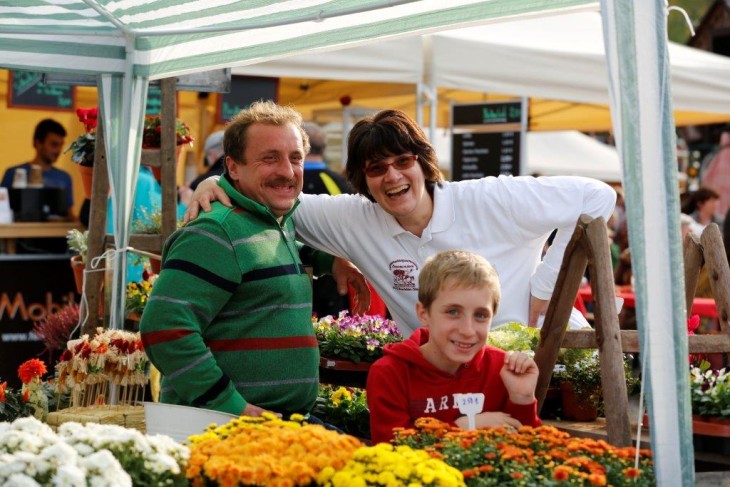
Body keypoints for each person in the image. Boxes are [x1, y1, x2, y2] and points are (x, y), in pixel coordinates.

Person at [187, 109, 617, 336]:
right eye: (376, 169)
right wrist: (214, 181)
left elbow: (598, 196)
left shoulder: (491, 198)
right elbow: (275, 193)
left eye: (403, 162)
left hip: (548, 366)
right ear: (363, 180)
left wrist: (547, 287)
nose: (392, 177)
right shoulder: (355, 218)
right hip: (445, 384)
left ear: (423, 163)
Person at [139, 101, 369, 417]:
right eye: (269, 158)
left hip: (272, 424)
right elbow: (164, 329)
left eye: (295, 158)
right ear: (233, 167)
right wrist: (231, 407)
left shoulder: (272, 219)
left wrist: (329, 261)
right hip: (222, 430)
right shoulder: (214, 231)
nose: (287, 171)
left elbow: (260, 255)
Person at [366, 249, 541, 444]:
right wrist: (463, 428)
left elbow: (529, 455)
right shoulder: (390, 373)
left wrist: (522, 399)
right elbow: (391, 454)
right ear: (424, 313)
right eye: (453, 312)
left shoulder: (503, 369)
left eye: (481, 315)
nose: (468, 330)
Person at [2, 118, 74, 218]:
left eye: (61, 145)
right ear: (38, 143)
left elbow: (69, 214)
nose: (58, 150)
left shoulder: (64, 178)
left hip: (55, 232)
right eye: (54, 144)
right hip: (19, 231)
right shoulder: (14, 173)